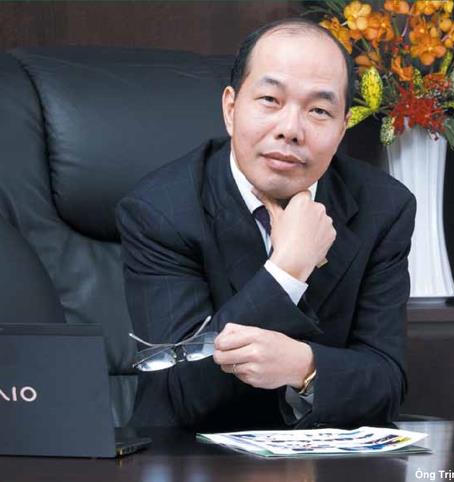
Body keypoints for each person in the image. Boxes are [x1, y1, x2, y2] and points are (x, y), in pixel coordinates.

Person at [116, 17, 416, 430]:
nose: (290, 130)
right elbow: (182, 389)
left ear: (342, 127)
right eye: (270, 100)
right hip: (190, 455)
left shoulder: (383, 207)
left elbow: (386, 383)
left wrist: (304, 367)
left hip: (324, 458)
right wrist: (287, 270)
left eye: (319, 110)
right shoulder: (160, 210)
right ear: (230, 108)